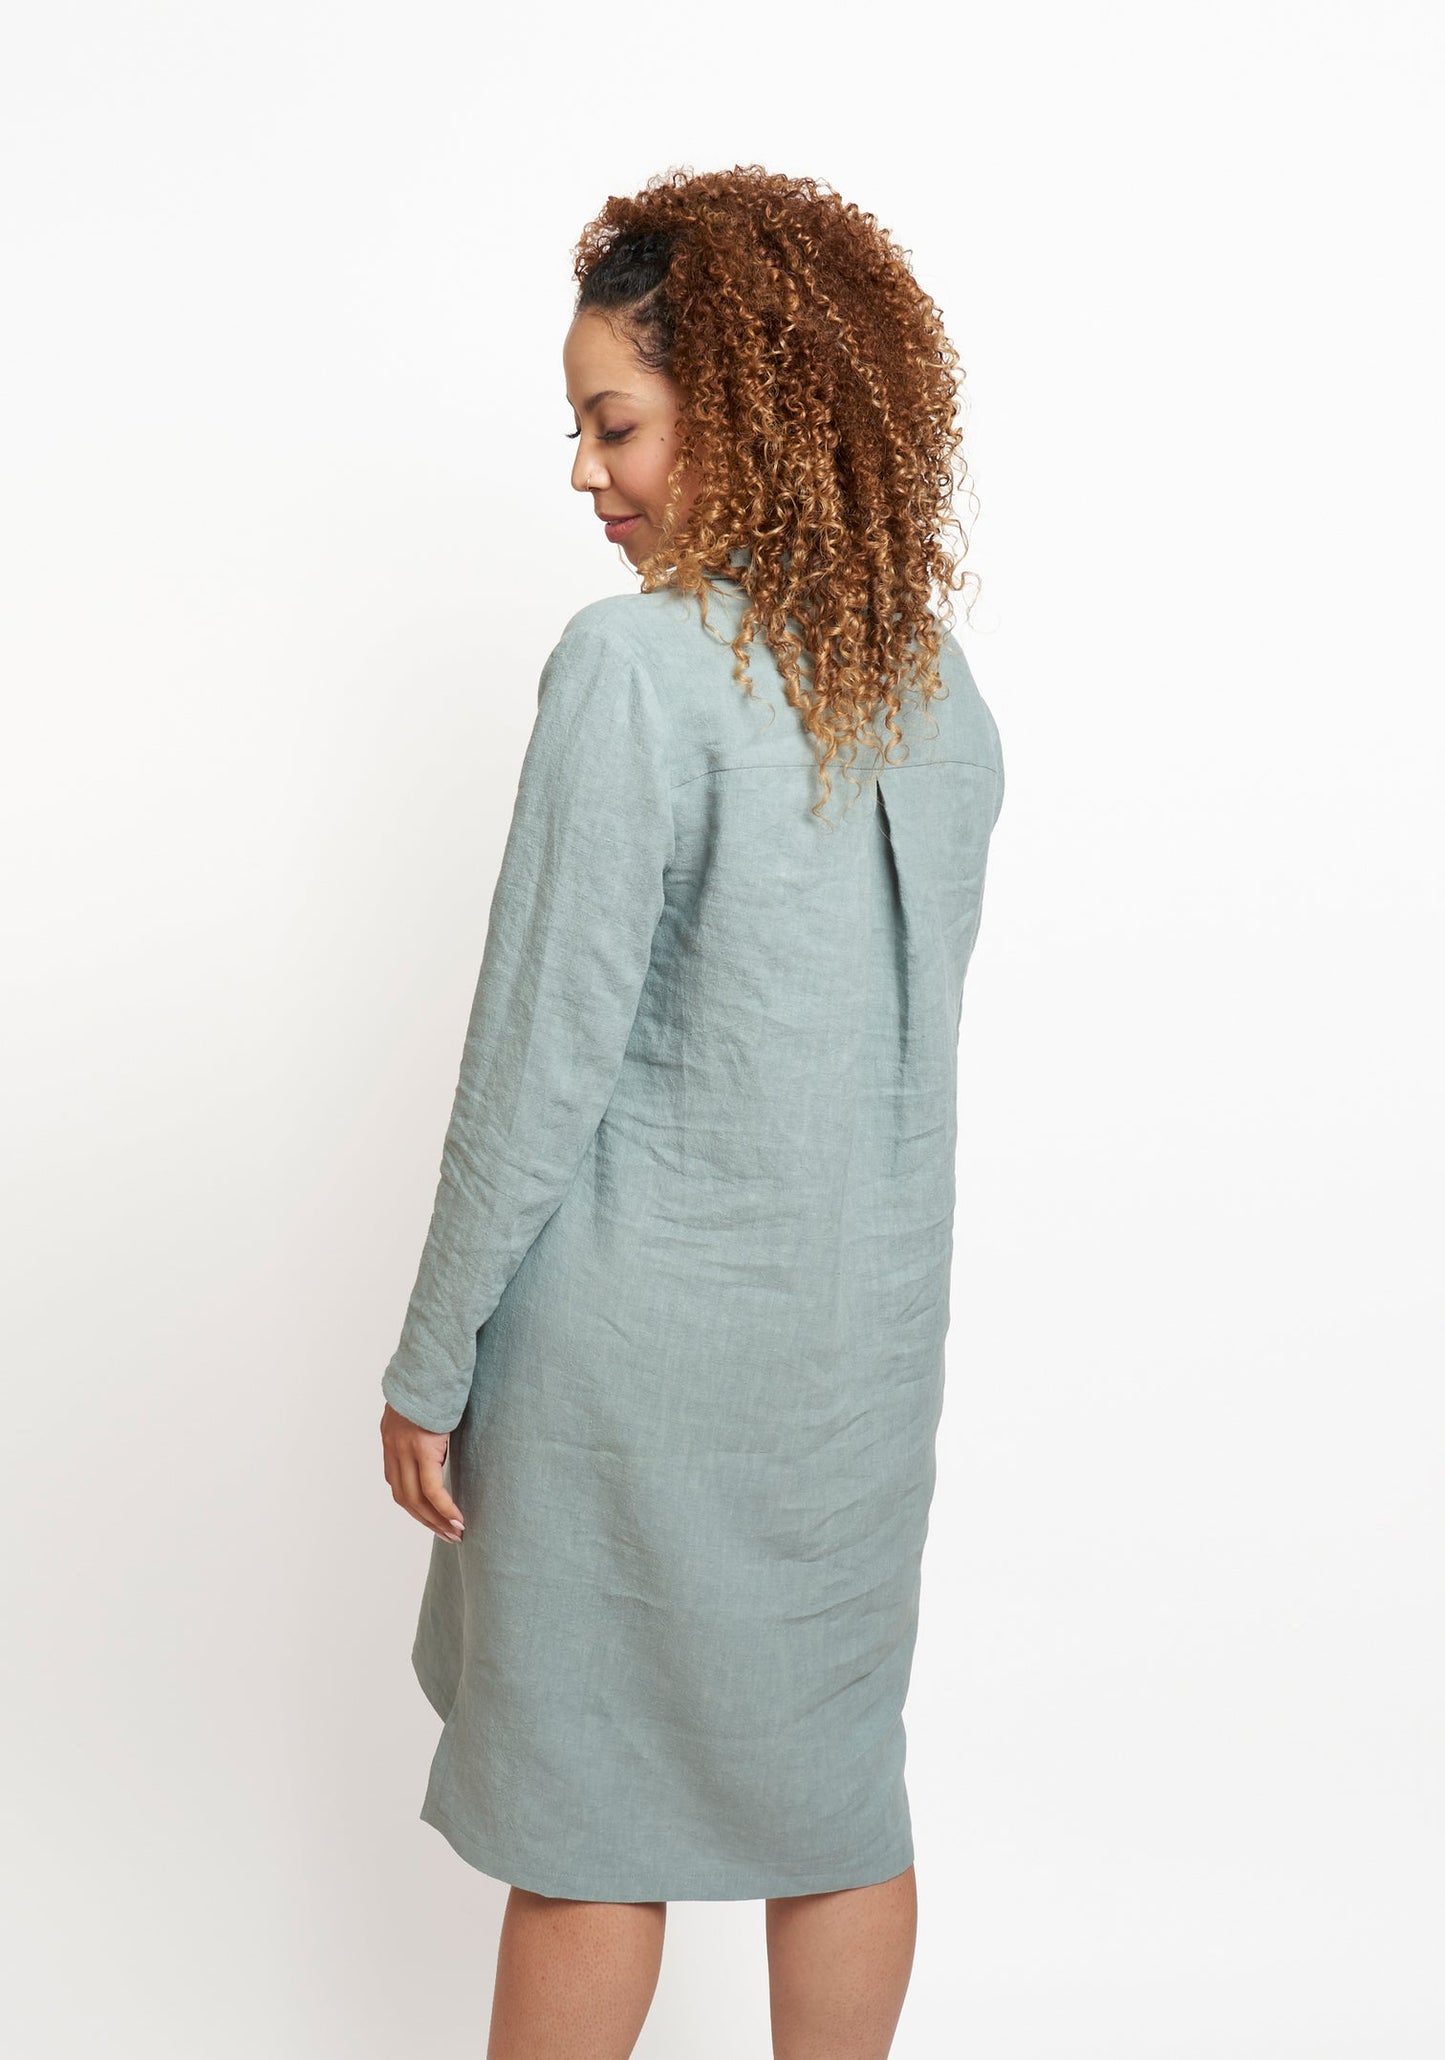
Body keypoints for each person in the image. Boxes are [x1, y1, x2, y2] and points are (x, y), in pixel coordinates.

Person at [378, 164, 1006, 2060]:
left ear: (747, 408)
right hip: (853, 1358)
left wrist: (429, 1360)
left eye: (618, 422)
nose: (588, 473)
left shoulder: (634, 667)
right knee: (837, 1797)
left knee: (585, 1821)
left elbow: (535, 1055)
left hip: (630, 1361)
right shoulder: (932, 688)